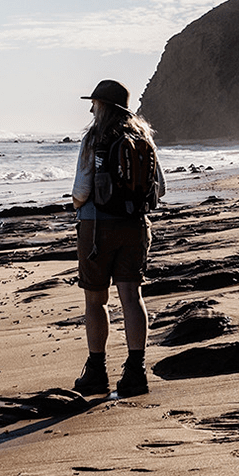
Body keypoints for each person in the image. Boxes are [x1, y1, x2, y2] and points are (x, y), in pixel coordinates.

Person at [69, 79, 165, 397]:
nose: (91, 107)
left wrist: (77, 206)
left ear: (103, 106)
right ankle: (136, 372)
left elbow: (82, 190)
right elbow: (159, 189)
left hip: (96, 229)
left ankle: (97, 371)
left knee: (96, 301)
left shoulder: (95, 138)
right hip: (136, 227)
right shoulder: (143, 138)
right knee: (132, 297)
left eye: (94, 102)